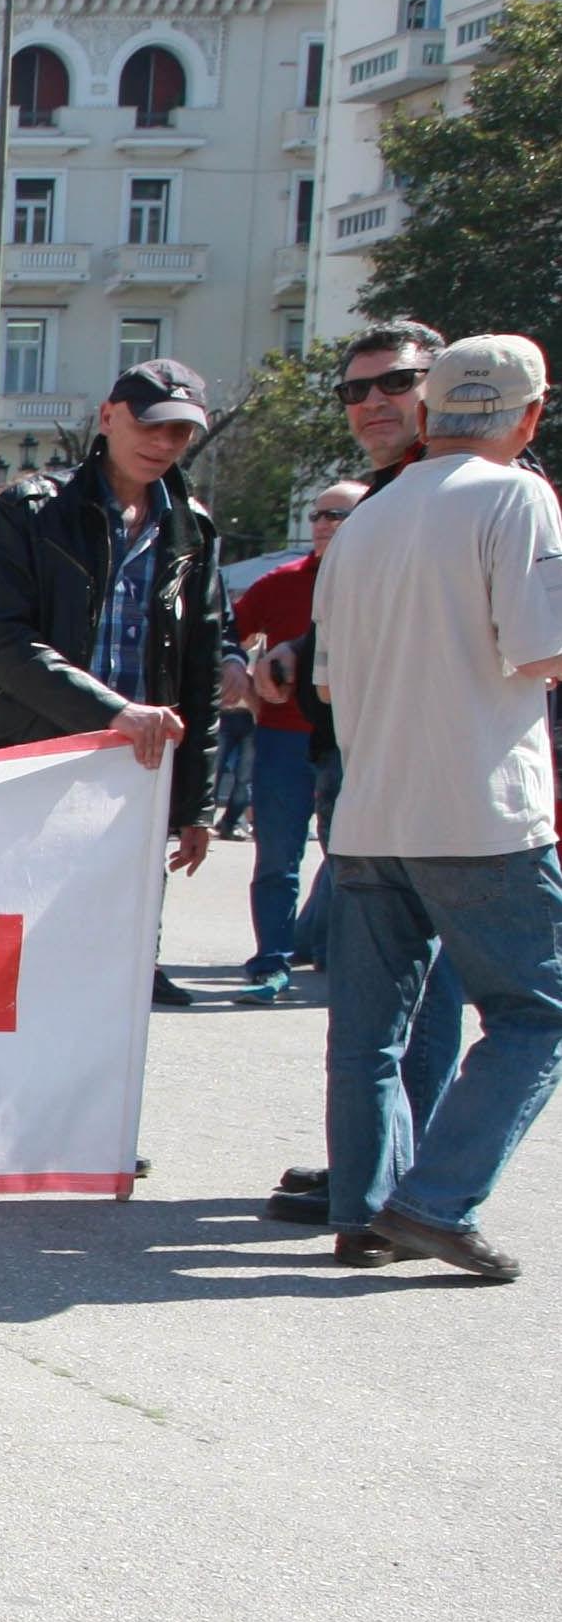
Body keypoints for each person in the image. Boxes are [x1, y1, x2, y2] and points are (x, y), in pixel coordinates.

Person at [311, 333, 562, 1282]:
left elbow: (327, 684)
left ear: (426, 413)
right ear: (529, 416)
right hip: (480, 808)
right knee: (537, 1012)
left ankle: (365, 1208)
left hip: (374, 810)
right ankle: (436, 1199)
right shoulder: (517, 495)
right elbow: (542, 651)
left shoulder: (366, 518)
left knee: (368, 1034)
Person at [0, 359, 222, 1006]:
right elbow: (3, 644)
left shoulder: (192, 526)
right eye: (150, 424)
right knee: (17, 967)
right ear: (108, 416)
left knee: (120, 970)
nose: (163, 443)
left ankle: (90, 1106)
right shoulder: (27, 510)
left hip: (137, 774)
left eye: (180, 433)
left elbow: (201, 670)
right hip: (36, 763)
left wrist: (195, 804)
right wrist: (114, 712)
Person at [229, 482, 371, 1001]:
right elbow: (226, 630)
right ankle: (272, 962)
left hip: (354, 742)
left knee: (353, 858)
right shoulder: (281, 582)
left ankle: (337, 953)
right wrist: (236, 671)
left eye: (338, 514)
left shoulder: (381, 583)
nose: (323, 524)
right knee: (276, 858)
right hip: (281, 740)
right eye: (317, 514)